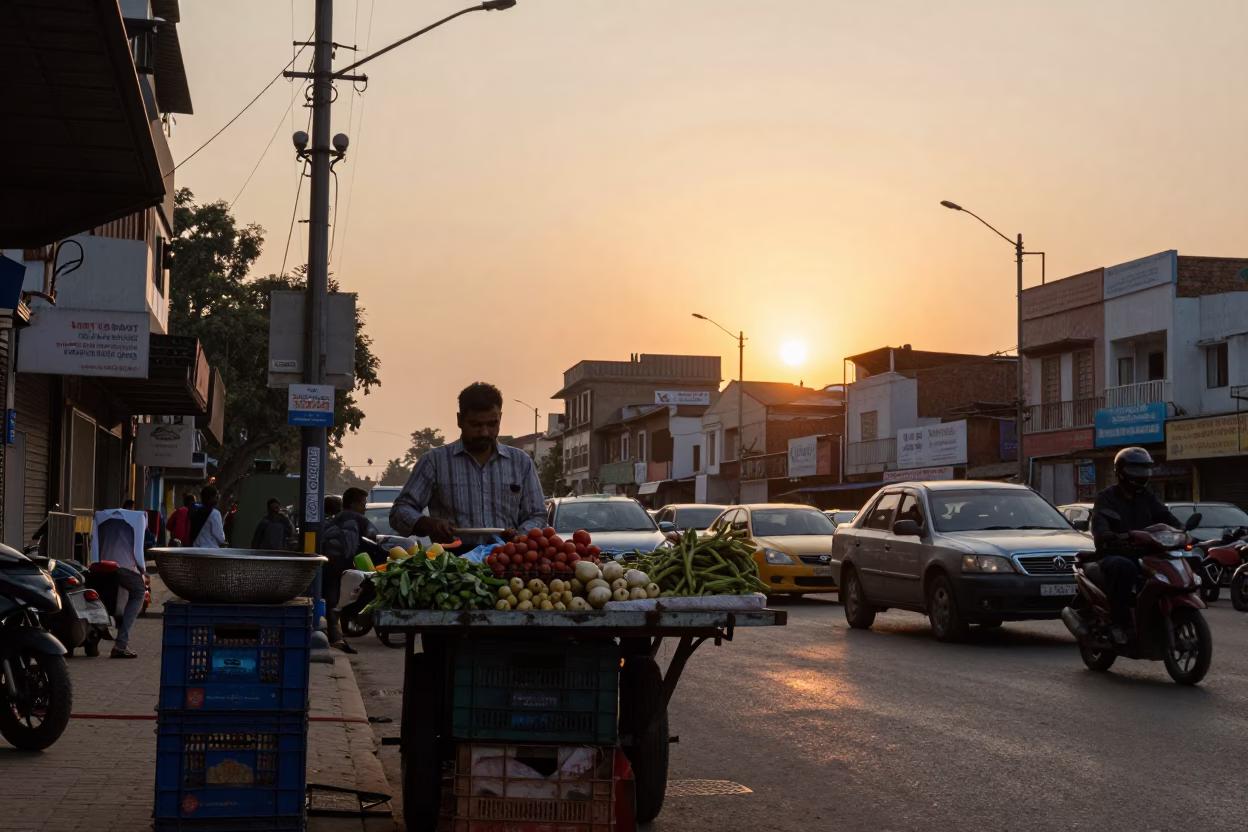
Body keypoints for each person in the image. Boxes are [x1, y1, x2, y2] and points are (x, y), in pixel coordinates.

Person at [390, 382, 547, 550]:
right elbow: (400, 511)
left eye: (492, 424)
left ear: (500, 418)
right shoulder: (434, 461)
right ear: (459, 420)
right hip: (452, 562)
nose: (485, 432)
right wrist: (427, 523)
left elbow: (537, 515)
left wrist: (520, 536)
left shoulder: (520, 462)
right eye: (476, 425)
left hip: (506, 558)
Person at [1090, 447, 1182, 645]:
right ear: (1122, 472)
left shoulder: (1148, 496)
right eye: (1136, 470)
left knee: (1173, 563)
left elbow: (1165, 516)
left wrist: (1181, 530)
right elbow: (1099, 523)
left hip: (1145, 552)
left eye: (1144, 469)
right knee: (1124, 567)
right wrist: (1107, 535)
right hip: (1114, 552)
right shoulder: (1107, 497)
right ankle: (1119, 623)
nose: (1141, 475)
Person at [321, 487, 384, 653]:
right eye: (363, 504)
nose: (364, 507)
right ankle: (336, 639)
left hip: (328, 563)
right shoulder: (359, 519)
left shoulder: (336, 518)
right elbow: (374, 538)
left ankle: (336, 637)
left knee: (333, 600)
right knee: (337, 601)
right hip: (344, 565)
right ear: (354, 503)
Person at [96, 510, 147, 660]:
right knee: (139, 591)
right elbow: (138, 552)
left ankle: (100, 629)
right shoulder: (136, 522)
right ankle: (121, 643)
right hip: (122, 568)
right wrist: (142, 569)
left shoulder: (104, 521)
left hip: (102, 565)